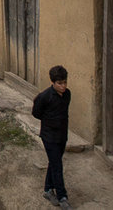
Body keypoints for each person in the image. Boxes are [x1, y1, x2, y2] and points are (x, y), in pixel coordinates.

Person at [33, 66, 72, 209]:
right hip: (49, 136)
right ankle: (62, 197)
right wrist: (49, 120)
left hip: (62, 135)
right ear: (53, 82)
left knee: (54, 162)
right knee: (57, 166)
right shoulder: (45, 96)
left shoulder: (67, 95)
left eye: (65, 82)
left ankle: (48, 190)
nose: (63, 86)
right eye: (59, 83)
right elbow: (36, 113)